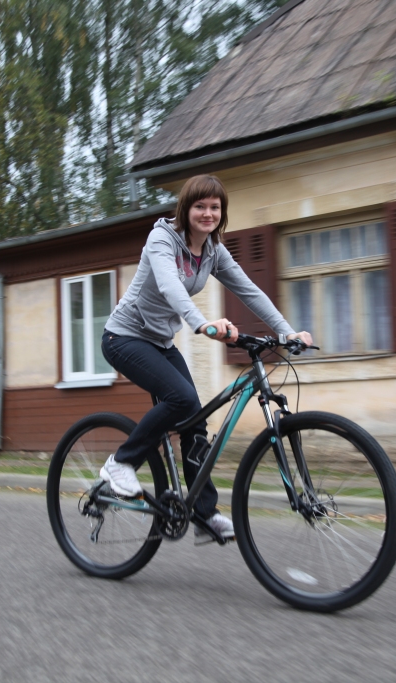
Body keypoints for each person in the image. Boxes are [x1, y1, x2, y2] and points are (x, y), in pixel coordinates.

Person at [99, 174, 313, 545]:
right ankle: (120, 464)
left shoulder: (213, 249)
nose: (208, 213)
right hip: (124, 337)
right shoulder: (161, 239)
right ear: (186, 209)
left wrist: (287, 331)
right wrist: (202, 324)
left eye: (215, 207)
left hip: (161, 343)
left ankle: (203, 514)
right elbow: (168, 284)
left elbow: (248, 289)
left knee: (194, 422)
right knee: (180, 399)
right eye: (200, 206)